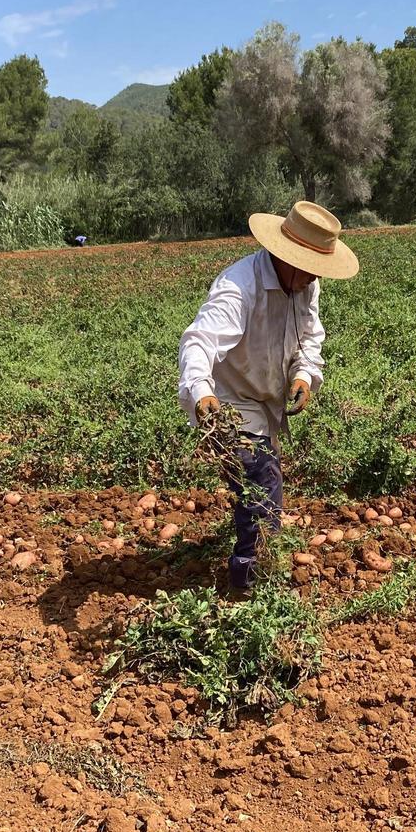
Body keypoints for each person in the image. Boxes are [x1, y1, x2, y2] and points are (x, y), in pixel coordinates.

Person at [178, 202, 359, 591]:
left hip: (267, 403)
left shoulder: (305, 283)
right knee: (261, 483)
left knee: (259, 485)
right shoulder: (238, 286)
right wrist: (202, 392)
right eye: (309, 266)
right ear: (286, 256)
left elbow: (310, 336)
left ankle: (255, 561)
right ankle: (248, 582)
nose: (314, 277)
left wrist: (305, 375)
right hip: (231, 400)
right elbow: (199, 341)